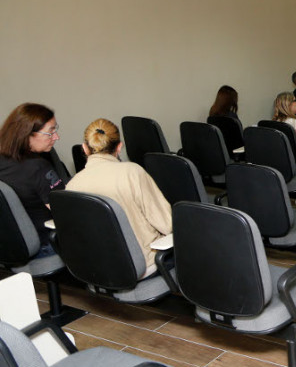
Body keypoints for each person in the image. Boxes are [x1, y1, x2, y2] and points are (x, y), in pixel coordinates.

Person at [65, 119, 172, 276]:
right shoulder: (132, 172)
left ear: (85, 149)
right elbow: (167, 224)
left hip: (95, 268)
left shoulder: (71, 186)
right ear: (120, 147)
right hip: (142, 265)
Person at [0, 103, 65, 255]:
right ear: (27, 133)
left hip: (10, 247)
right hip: (47, 243)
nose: (56, 137)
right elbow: (65, 212)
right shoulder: (38, 167)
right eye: (50, 131)